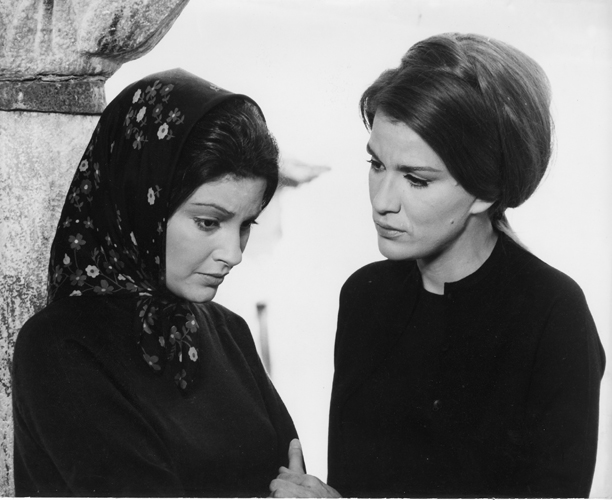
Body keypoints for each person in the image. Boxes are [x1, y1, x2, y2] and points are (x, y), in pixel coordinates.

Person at [269, 33, 605, 498]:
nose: (382, 201)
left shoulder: (553, 314)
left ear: (485, 190)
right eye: (377, 164)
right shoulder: (365, 296)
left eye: (416, 179)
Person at [12, 68, 298, 497]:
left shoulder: (228, 331)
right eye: (208, 222)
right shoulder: (60, 344)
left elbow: (296, 474)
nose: (234, 253)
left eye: (245, 225)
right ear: (141, 203)